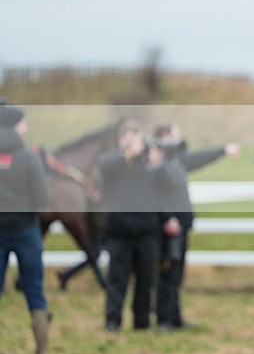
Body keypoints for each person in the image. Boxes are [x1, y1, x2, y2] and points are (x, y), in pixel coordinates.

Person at [152, 122, 239, 330]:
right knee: (167, 272)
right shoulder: (157, 164)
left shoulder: (176, 161)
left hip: (181, 226)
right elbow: (155, 194)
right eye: (174, 135)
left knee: (177, 273)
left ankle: (175, 317)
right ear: (164, 137)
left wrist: (222, 151)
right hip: (168, 227)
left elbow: (199, 158)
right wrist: (167, 218)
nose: (178, 140)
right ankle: (163, 319)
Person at [99, 120, 168, 332]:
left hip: (147, 231)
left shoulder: (147, 164)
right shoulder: (113, 161)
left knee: (146, 280)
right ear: (122, 140)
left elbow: (162, 189)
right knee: (117, 278)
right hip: (120, 231)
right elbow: (105, 168)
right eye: (132, 140)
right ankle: (113, 320)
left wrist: (157, 165)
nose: (138, 145)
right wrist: (128, 153)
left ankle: (142, 321)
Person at [0, 103, 51, 354]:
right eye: (24, 122)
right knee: (34, 290)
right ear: (15, 125)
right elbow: (43, 197)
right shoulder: (29, 156)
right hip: (25, 230)